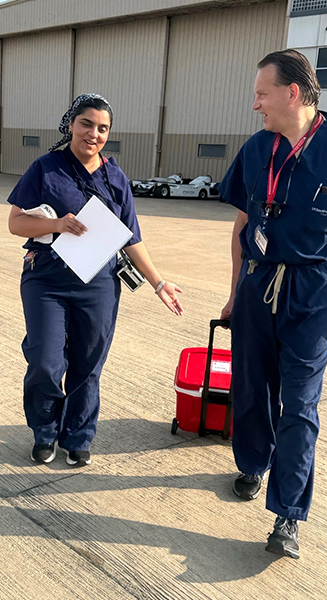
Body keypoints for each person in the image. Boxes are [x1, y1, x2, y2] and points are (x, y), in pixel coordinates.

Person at [218, 50, 327, 559]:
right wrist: (235, 292)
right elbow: (241, 227)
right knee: (252, 386)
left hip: (315, 290)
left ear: (292, 93)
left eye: (261, 93)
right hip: (258, 283)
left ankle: (287, 515)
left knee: (299, 402)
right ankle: (253, 463)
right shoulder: (257, 149)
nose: (255, 104)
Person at [8, 93, 183, 468]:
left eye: (103, 128)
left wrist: (158, 283)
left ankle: (78, 437)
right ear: (70, 124)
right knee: (45, 360)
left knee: (88, 364)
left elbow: (130, 237)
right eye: (87, 123)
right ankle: (44, 432)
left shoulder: (115, 178)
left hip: (98, 283)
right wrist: (56, 224)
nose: (94, 133)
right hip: (47, 280)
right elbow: (15, 223)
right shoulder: (46, 168)